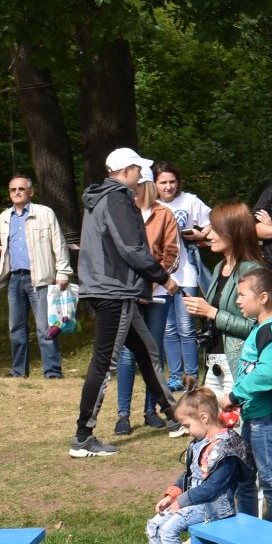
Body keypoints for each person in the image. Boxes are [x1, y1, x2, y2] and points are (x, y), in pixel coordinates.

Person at [72, 148, 178, 459]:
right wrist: (163, 277)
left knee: (147, 351)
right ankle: (82, 436)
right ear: (126, 170)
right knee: (105, 362)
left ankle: (174, 416)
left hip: (107, 287)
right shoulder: (118, 198)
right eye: (138, 169)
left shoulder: (101, 197)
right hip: (113, 290)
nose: (141, 175)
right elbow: (132, 248)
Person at [134, 387, 251, 544]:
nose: (187, 432)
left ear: (204, 418)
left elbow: (213, 487)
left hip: (216, 507)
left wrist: (183, 501)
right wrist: (173, 494)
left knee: (169, 530)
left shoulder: (227, 448)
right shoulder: (200, 441)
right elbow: (189, 474)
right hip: (194, 503)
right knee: (154, 524)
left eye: (187, 425)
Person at [228, 267, 272, 526]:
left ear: (263, 297)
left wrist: (234, 395)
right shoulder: (262, 328)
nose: (238, 300)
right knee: (246, 478)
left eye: (242, 294)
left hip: (265, 421)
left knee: (271, 481)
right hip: (252, 416)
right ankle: (249, 535)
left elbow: (266, 374)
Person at [114, 168, 179, 436]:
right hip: (129, 293)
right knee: (128, 353)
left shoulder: (164, 214)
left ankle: (151, 409)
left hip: (157, 292)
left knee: (153, 352)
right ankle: (123, 414)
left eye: (139, 184)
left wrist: (153, 282)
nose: (134, 189)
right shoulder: (122, 212)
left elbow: (171, 253)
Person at [180, 202, 263, 408]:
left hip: (238, 362)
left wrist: (212, 312)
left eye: (215, 230)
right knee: (213, 429)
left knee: (234, 427)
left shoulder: (250, 270)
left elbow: (255, 327)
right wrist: (201, 311)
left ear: (232, 233)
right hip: (213, 361)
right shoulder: (220, 267)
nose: (209, 235)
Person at [0, 175, 73, 380]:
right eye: (13, 189)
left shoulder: (45, 213)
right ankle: (18, 372)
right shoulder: (4, 217)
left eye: (21, 189)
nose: (17, 192)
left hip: (40, 279)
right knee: (16, 328)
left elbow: (59, 243)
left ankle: (53, 372)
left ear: (31, 191)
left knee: (45, 328)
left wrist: (63, 272)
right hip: (15, 279)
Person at [155, 166, 212, 392]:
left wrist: (200, 235)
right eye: (163, 182)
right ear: (155, 185)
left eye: (172, 181)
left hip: (186, 272)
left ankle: (191, 376)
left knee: (187, 326)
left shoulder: (190, 201)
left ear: (178, 182)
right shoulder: (152, 205)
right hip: (161, 275)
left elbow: (210, 221)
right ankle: (175, 376)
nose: (168, 186)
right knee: (168, 329)